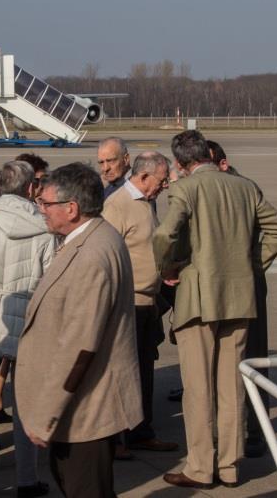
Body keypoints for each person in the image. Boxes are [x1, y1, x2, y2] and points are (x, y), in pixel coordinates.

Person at [153, 130, 277, 489]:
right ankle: (230, 465)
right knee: (232, 386)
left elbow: (164, 235)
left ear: (182, 164)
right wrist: (249, 267)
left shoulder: (185, 188)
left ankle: (201, 466)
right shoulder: (244, 186)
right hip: (239, 296)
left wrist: (168, 268)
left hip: (199, 299)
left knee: (198, 388)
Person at [16, 162, 142, 498]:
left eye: (46, 204)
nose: (40, 210)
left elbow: (79, 347)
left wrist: (45, 415)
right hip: (78, 408)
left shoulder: (92, 256)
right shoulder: (85, 238)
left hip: (84, 411)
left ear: (71, 209)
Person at [0, 161, 55, 498]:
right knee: (26, 404)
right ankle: (26, 478)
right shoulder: (44, 227)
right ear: (30, 189)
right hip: (27, 317)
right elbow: (50, 279)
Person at [102, 151, 178, 455]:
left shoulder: (145, 203)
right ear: (144, 176)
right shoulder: (117, 205)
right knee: (124, 373)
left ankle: (140, 431)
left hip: (149, 302)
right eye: (161, 180)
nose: (165, 186)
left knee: (144, 370)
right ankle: (117, 437)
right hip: (128, 304)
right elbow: (106, 256)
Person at [208, 139, 271, 458]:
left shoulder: (245, 189)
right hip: (220, 284)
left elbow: (275, 230)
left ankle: (256, 430)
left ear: (222, 164)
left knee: (254, 354)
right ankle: (227, 429)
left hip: (247, 283)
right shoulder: (207, 188)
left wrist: (255, 265)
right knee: (221, 359)